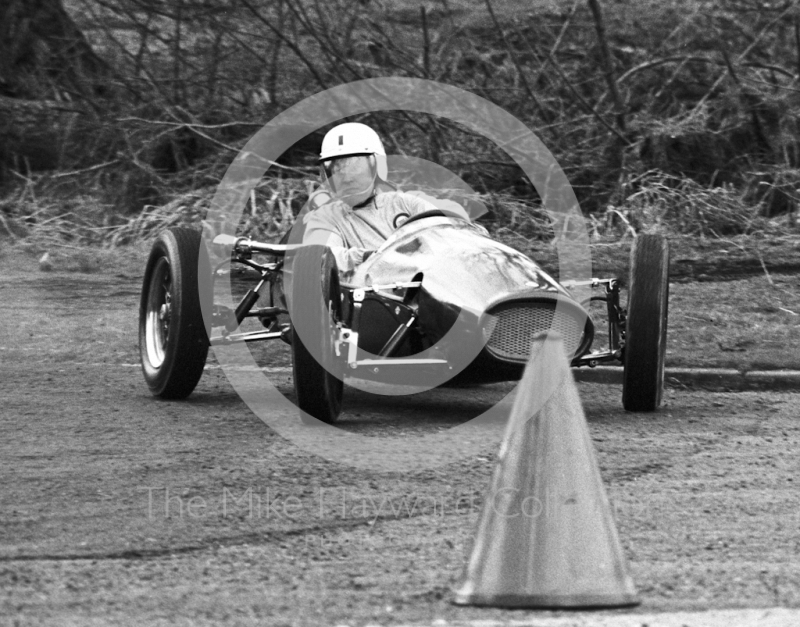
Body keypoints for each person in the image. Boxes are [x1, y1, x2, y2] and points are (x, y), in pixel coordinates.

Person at [302, 122, 467, 275]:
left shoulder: (406, 202)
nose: (345, 177)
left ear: (376, 165)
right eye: (336, 168)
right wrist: (374, 257)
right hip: (375, 300)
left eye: (353, 166)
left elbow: (458, 229)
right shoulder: (325, 217)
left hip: (432, 288)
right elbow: (321, 256)